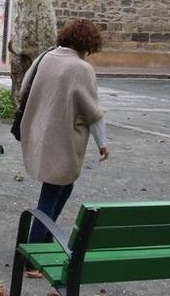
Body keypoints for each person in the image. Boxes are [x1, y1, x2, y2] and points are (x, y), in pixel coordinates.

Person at [18, 20, 109, 245]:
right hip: (62, 141)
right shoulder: (81, 68)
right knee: (51, 194)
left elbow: (23, 89)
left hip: (39, 133)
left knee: (64, 187)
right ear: (88, 45)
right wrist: (103, 143)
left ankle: (46, 234)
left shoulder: (44, 57)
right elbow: (92, 112)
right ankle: (34, 249)